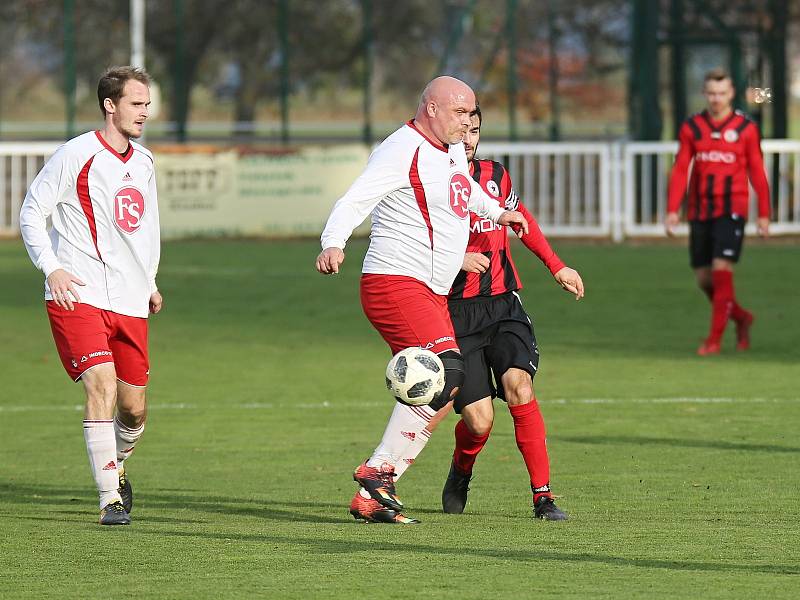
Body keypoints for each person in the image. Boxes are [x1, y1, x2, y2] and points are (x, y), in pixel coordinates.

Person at [315, 76, 531, 524]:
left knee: (446, 390)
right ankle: (378, 473)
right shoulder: (400, 148)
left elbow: (462, 190)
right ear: (430, 108)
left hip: (430, 290)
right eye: (459, 113)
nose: (467, 122)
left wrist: (498, 213)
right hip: (394, 283)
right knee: (448, 369)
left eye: (472, 113)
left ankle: (373, 496)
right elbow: (355, 199)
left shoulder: (449, 148)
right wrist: (334, 242)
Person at [357, 106, 584, 520]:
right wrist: (455, 256)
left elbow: (521, 218)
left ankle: (543, 497)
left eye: (474, 130)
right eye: (462, 128)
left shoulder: (495, 176)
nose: (467, 136)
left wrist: (557, 265)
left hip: (503, 305)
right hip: (455, 312)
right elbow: (415, 229)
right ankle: (461, 469)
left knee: (520, 387)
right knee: (479, 422)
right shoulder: (431, 177)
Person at [19, 66, 161, 526]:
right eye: (136, 103)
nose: (145, 112)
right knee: (101, 385)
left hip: (130, 299)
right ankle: (109, 500)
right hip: (77, 293)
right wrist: (53, 267)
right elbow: (31, 212)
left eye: (146, 103)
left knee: (133, 407)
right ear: (110, 105)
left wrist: (151, 282)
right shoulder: (75, 154)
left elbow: (145, 231)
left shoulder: (144, 161)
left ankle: (115, 467)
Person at [666, 68, 770, 355]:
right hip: (700, 210)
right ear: (705, 93)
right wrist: (672, 209)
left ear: (731, 93)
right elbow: (680, 170)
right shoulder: (692, 127)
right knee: (704, 279)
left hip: (732, 209)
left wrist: (764, 213)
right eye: (711, 93)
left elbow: (757, 172)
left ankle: (714, 340)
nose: (716, 98)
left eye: (721, 93)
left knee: (722, 270)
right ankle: (741, 318)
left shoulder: (746, 129)